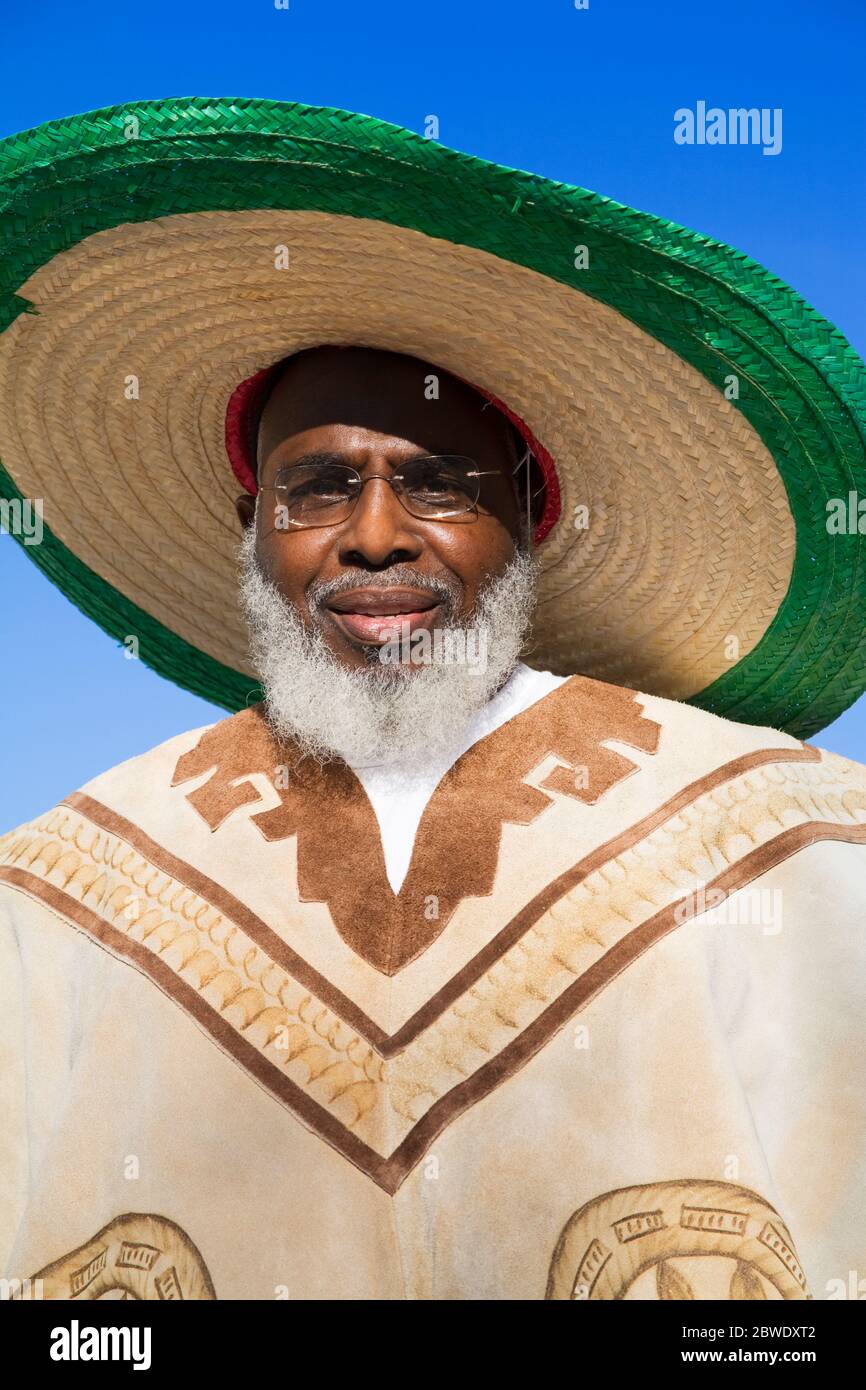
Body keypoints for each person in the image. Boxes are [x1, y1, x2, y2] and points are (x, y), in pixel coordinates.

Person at [1, 96, 866, 1302]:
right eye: (313, 490)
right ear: (245, 534)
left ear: (531, 521)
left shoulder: (793, 841)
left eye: (437, 483)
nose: (371, 538)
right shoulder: (61, 893)